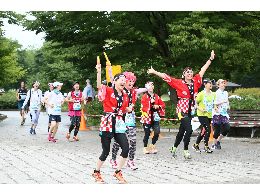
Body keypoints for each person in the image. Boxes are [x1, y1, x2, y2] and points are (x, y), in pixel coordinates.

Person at [147, 50, 215, 159]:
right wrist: (155, 72)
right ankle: (186, 150)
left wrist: (210, 59)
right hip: (181, 110)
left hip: (190, 110)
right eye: (187, 72)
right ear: (184, 75)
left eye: (191, 72)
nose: (190, 73)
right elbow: (166, 77)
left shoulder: (196, 81)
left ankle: (173, 148)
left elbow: (203, 70)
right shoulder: (179, 82)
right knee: (189, 129)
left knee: (181, 131)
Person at [92, 62, 130, 184]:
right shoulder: (108, 90)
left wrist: (128, 109)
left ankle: (118, 172)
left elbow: (123, 109)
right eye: (122, 79)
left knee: (126, 148)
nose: (124, 81)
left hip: (118, 123)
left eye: (125, 80)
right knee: (106, 151)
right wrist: (99, 72)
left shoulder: (125, 95)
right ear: (115, 81)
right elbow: (98, 86)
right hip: (107, 122)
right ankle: (96, 171)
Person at [110, 71, 147, 171]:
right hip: (120, 119)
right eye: (128, 81)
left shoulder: (134, 92)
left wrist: (148, 87)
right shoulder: (120, 91)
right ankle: (113, 159)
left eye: (132, 81)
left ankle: (130, 161)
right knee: (118, 142)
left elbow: (140, 90)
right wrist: (110, 73)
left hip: (130, 119)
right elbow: (113, 83)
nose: (131, 83)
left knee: (133, 140)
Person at [140, 81, 165, 155]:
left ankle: (152, 145)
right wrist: (151, 104)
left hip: (155, 116)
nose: (151, 86)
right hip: (147, 117)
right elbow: (143, 106)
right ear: (146, 87)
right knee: (147, 133)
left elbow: (163, 104)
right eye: (149, 85)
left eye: (152, 85)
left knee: (157, 131)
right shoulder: (144, 96)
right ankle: (145, 147)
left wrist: (158, 106)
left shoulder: (156, 96)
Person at [192, 78, 215, 153]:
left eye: (211, 83)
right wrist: (200, 109)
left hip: (209, 115)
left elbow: (213, 104)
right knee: (208, 129)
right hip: (201, 115)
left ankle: (196, 145)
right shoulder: (201, 94)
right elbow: (195, 104)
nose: (211, 84)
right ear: (205, 84)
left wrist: (215, 107)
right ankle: (206, 146)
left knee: (203, 131)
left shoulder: (213, 94)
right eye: (209, 83)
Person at [211, 79, 230, 150]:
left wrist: (228, 104)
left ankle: (218, 141)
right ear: (218, 85)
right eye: (222, 83)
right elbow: (214, 103)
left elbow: (227, 101)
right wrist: (222, 102)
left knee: (227, 128)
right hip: (217, 114)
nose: (223, 84)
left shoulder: (226, 93)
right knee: (217, 130)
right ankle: (213, 144)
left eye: (224, 83)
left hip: (224, 114)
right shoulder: (216, 93)